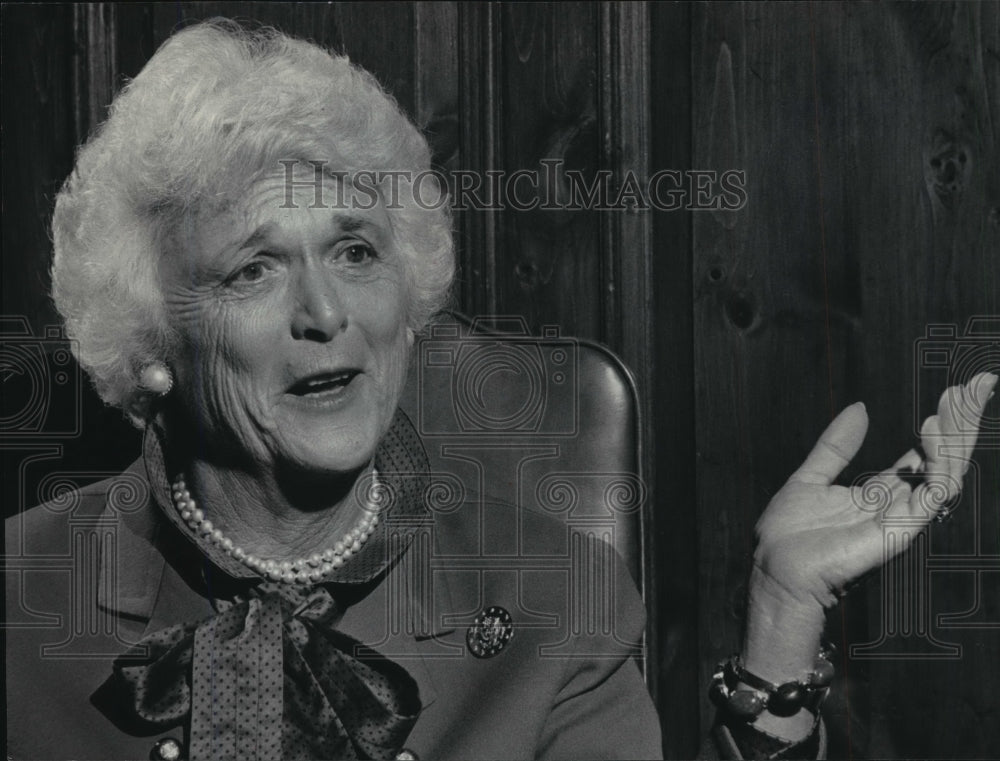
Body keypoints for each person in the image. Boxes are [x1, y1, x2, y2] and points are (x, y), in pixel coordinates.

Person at [4, 19, 995, 761]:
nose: (325, 312)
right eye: (252, 269)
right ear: (153, 340)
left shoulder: (558, 602)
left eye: (355, 251)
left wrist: (781, 614)